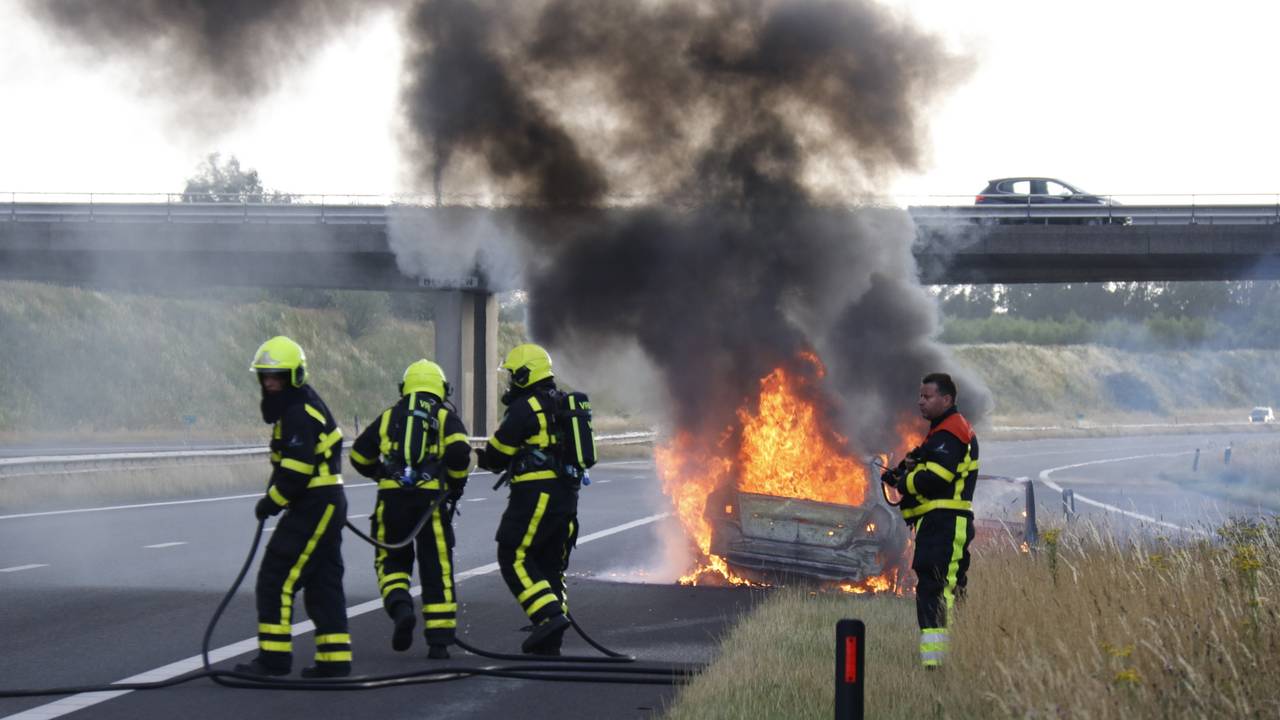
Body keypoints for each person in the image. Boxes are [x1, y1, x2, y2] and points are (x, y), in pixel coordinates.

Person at [235, 336, 352, 678]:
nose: (270, 383)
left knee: (276, 577)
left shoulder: (299, 412)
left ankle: (273, 661)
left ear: (295, 376)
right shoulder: (297, 407)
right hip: (322, 504)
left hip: (315, 505)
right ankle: (335, 661)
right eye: (265, 377)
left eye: (278, 376)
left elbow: (298, 469)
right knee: (322, 582)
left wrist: (271, 502)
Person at [349, 359, 472, 660]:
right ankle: (439, 642)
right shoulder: (444, 416)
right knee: (437, 567)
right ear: (442, 389)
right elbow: (459, 452)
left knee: (391, 560)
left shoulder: (390, 415)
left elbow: (358, 455)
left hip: (392, 501)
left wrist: (381, 473)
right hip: (431, 502)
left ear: (405, 388)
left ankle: (401, 605)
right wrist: (455, 484)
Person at [475, 343, 579, 656]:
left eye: (513, 374)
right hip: (566, 496)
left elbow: (497, 454)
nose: (510, 381)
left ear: (525, 373)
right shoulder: (561, 402)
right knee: (550, 564)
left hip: (536, 495)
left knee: (513, 554)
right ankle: (550, 641)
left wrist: (478, 457)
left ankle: (548, 617)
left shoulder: (525, 408)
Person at [880, 372, 979, 669]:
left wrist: (904, 482)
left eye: (928, 396)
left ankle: (940, 665)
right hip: (936, 526)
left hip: (946, 525)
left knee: (939, 590)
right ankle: (940, 660)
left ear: (947, 399)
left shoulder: (951, 433)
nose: (920, 402)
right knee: (936, 588)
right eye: (920, 396)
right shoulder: (940, 433)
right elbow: (923, 461)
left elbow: (937, 476)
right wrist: (900, 471)